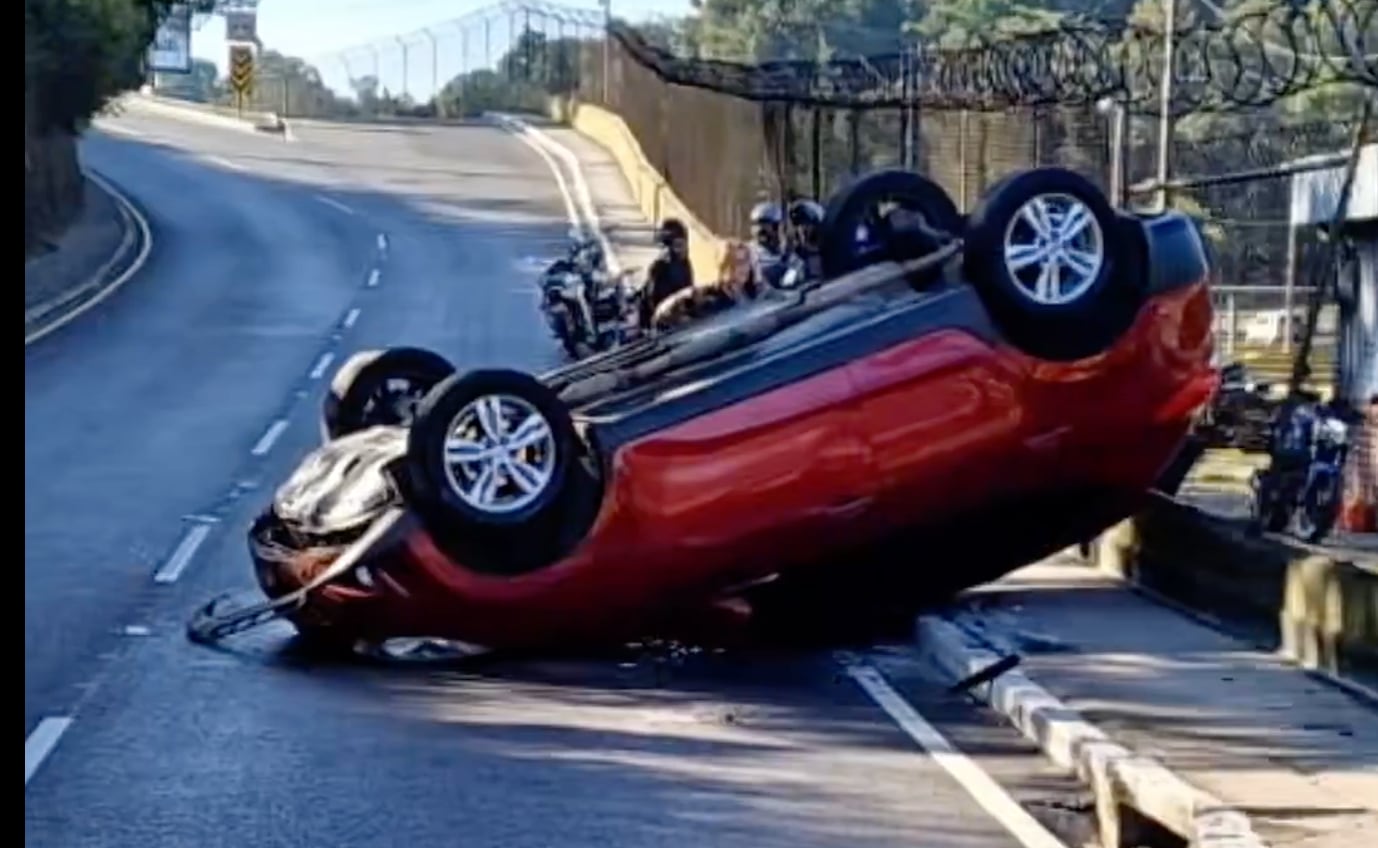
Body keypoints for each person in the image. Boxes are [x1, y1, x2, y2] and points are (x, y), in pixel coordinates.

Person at [650, 240, 761, 333]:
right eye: (737, 262)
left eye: (746, 261)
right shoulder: (708, 301)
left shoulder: (749, 292)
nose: (744, 268)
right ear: (724, 266)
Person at [639, 218, 694, 328]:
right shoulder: (660, 268)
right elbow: (654, 304)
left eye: (684, 244)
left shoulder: (685, 264)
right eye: (678, 245)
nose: (683, 250)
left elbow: (688, 294)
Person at [748, 201, 790, 289]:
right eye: (757, 225)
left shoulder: (787, 253)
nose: (760, 230)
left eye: (766, 226)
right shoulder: (747, 252)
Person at [786, 199, 825, 283]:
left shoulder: (824, 253)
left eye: (806, 224)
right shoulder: (791, 253)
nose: (802, 228)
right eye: (798, 224)